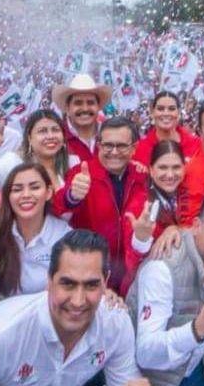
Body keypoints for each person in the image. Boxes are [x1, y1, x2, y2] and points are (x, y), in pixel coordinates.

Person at [0, 230, 145, 386]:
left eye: (91, 285)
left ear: (105, 282)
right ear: (49, 280)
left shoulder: (116, 322)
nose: (78, 301)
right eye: (67, 284)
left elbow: (126, 382)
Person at [126, 192, 204, 386]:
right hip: (160, 378)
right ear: (196, 226)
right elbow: (146, 353)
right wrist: (196, 330)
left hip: (203, 366)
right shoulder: (163, 268)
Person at [53, 116, 150, 293]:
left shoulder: (142, 176)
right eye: (107, 145)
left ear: (134, 148)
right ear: (99, 144)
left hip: (132, 275)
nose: (113, 152)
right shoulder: (82, 172)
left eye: (121, 146)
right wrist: (72, 196)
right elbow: (57, 206)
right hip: (91, 274)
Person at [0, 162, 73, 297]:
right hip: (0, 312)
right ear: (7, 196)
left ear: (48, 192)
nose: (26, 195)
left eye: (35, 187)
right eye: (17, 189)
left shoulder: (63, 235)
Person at [122, 140, 189, 293]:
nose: (170, 175)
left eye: (176, 167)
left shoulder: (190, 195)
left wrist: (177, 229)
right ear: (151, 170)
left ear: (184, 168)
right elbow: (130, 262)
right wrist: (141, 239)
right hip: (147, 288)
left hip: (182, 287)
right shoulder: (140, 203)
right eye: (162, 168)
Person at [0, 109, 74, 195]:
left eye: (55, 130)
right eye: (42, 131)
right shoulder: (13, 163)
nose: (50, 136)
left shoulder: (73, 164)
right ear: (29, 138)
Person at [52, 73, 114, 164]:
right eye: (78, 103)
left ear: (98, 107)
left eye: (90, 102)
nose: (85, 108)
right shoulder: (55, 138)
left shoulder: (111, 134)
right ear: (68, 108)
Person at [133, 90, 202, 167]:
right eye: (160, 109)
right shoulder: (139, 149)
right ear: (152, 113)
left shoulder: (197, 145)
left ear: (179, 113)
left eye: (171, 109)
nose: (166, 113)